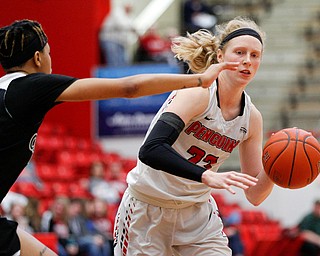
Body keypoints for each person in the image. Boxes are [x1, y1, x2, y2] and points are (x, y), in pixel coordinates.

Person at [0, 19, 239, 256]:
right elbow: (129, 88)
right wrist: (199, 80)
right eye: (49, 52)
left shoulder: (8, 90)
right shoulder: (31, 86)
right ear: (38, 58)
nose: (51, 59)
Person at [114, 16, 274, 255]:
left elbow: (254, 194)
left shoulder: (252, 118)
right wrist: (205, 176)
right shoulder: (197, 94)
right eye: (240, 52)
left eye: (254, 55)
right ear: (220, 56)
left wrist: (276, 170)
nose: (247, 61)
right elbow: (151, 149)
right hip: (147, 210)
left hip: (197, 217)